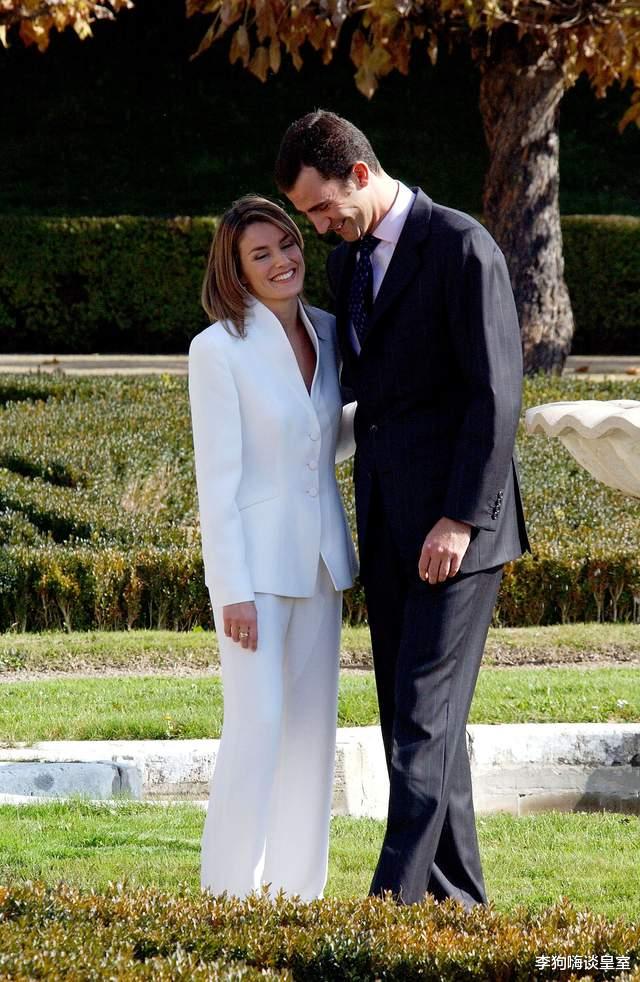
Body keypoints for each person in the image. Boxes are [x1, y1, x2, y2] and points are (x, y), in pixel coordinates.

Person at [275, 111, 530, 908]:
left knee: (421, 719)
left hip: (458, 532)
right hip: (387, 526)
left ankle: (388, 910)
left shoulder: (461, 246)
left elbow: (497, 395)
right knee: (413, 726)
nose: (320, 229)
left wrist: (460, 519)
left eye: (323, 208)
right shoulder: (348, 262)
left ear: (359, 173)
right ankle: (460, 908)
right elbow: (363, 394)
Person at [188, 194, 358, 900]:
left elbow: (320, 438)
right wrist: (230, 592)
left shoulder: (327, 331)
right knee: (257, 728)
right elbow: (217, 482)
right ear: (236, 271)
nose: (282, 260)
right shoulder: (216, 349)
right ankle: (227, 895)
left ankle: (297, 896)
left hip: (320, 565)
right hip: (254, 577)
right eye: (261, 254)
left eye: (287, 244)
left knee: (313, 737)